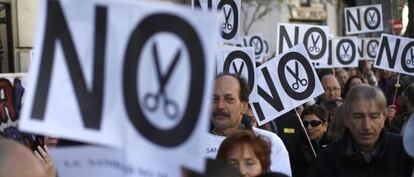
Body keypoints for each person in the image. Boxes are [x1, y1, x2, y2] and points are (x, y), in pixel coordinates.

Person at [307, 85, 413, 177]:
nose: (367, 126)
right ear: (346, 119)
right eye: (358, 116)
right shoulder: (327, 159)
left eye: (374, 116)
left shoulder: (405, 151)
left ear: (384, 117)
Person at [205, 73, 291, 176]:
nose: (220, 106)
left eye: (229, 99)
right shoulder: (190, 145)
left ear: (244, 106)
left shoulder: (272, 143)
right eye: (214, 99)